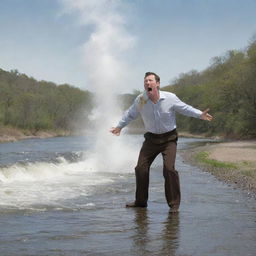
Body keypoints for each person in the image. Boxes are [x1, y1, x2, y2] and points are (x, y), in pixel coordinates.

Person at [110, 72, 212, 212]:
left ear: (157, 84)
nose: (147, 83)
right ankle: (140, 202)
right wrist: (119, 126)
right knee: (140, 168)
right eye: (145, 81)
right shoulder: (140, 100)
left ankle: (174, 205)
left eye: (150, 80)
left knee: (169, 169)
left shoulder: (170, 98)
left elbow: (185, 108)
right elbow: (130, 114)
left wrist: (200, 114)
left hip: (169, 139)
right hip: (151, 139)